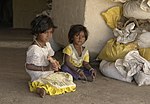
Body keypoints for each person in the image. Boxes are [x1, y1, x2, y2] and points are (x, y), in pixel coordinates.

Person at [25, 15, 61, 98]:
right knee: (47, 82)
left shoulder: (47, 44)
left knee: (65, 77)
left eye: (51, 32)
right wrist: (45, 68)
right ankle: (37, 88)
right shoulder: (34, 49)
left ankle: (42, 86)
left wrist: (54, 63)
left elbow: (50, 57)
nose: (49, 35)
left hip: (46, 70)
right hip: (37, 73)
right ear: (37, 32)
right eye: (45, 33)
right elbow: (28, 66)